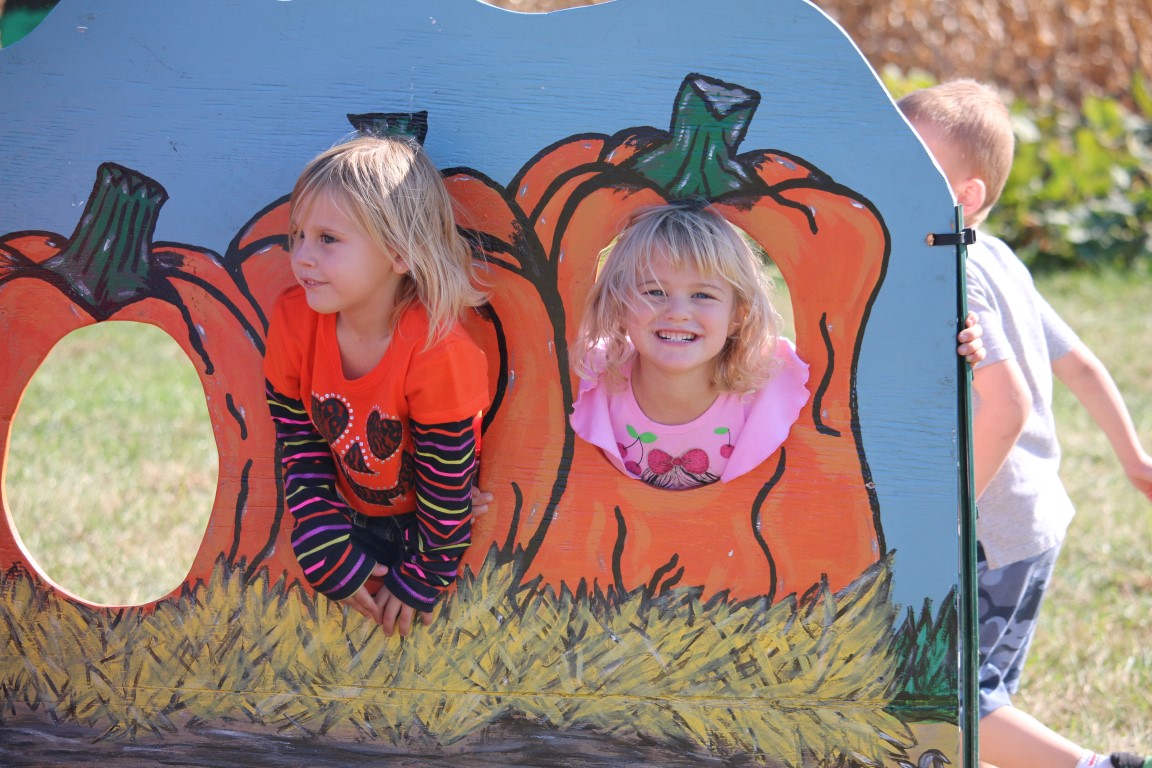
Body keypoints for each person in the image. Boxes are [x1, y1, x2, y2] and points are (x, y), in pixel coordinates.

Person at [899, 79, 1152, 768]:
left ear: (966, 196)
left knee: (950, 701)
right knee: (982, 695)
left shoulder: (956, 273)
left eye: (911, 164)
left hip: (990, 528)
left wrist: (949, 518)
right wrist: (1133, 456)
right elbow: (1083, 365)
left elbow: (1005, 408)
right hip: (1033, 519)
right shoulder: (999, 255)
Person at [564, 200, 984, 489]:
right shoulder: (589, 376)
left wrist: (944, 351)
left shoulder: (775, 380)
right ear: (618, 304)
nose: (677, 311)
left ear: (738, 314)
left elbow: (872, 384)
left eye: (703, 295)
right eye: (654, 292)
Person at [264, 135, 488, 638]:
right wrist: (318, 534)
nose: (302, 256)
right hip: (347, 509)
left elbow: (447, 484)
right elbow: (297, 437)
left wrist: (428, 571)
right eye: (298, 234)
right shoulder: (294, 322)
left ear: (400, 252)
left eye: (328, 239)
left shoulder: (437, 351)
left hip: (430, 523)